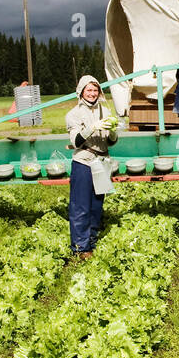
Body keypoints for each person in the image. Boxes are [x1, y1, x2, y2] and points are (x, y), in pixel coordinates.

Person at [64, 74, 118, 258]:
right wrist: (92, 127)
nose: (92, 94)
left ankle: (91, 240)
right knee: (81, 206)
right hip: (84, 162)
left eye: (95, 90)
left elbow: (111, 142)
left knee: (96, 205)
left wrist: (111, 131)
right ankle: (80, 247)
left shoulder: (105, 111)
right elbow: (77, 141)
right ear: (81, 92)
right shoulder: (73, 114)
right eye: (89, 90)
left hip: (102, 162)